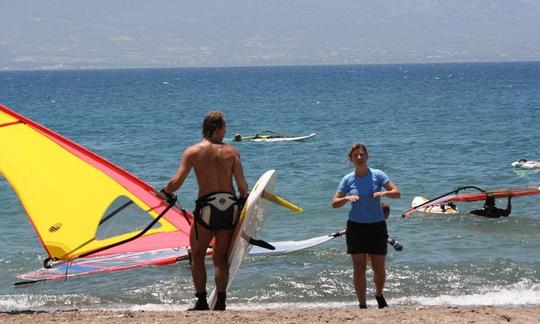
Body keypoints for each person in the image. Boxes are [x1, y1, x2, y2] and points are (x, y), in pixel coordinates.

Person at [160, 111, 249, 311]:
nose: (226, 131)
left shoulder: (192, 152)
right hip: (229, 208)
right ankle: (221, 301)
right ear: (217, 129)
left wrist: (164, 192)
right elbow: (243, 188)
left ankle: (201, 301)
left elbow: (176, 182)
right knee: (220, 257)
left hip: (206, 209)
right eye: (224, 127)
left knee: (198, 255)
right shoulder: (232, 153)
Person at [332, 143, 401, 309]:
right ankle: (362, 304)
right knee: (359, 269)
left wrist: (383, 193)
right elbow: (334, 203)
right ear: (351, 159)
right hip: (355, 227)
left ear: (367, 156)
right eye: (355, 155)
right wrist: (346, 199)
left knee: (379, 269)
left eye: (362, 154)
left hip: (376, 226)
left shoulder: (378, 175)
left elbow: (397, 193)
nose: (359, 157)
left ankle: (378, 294)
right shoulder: (347, 179)